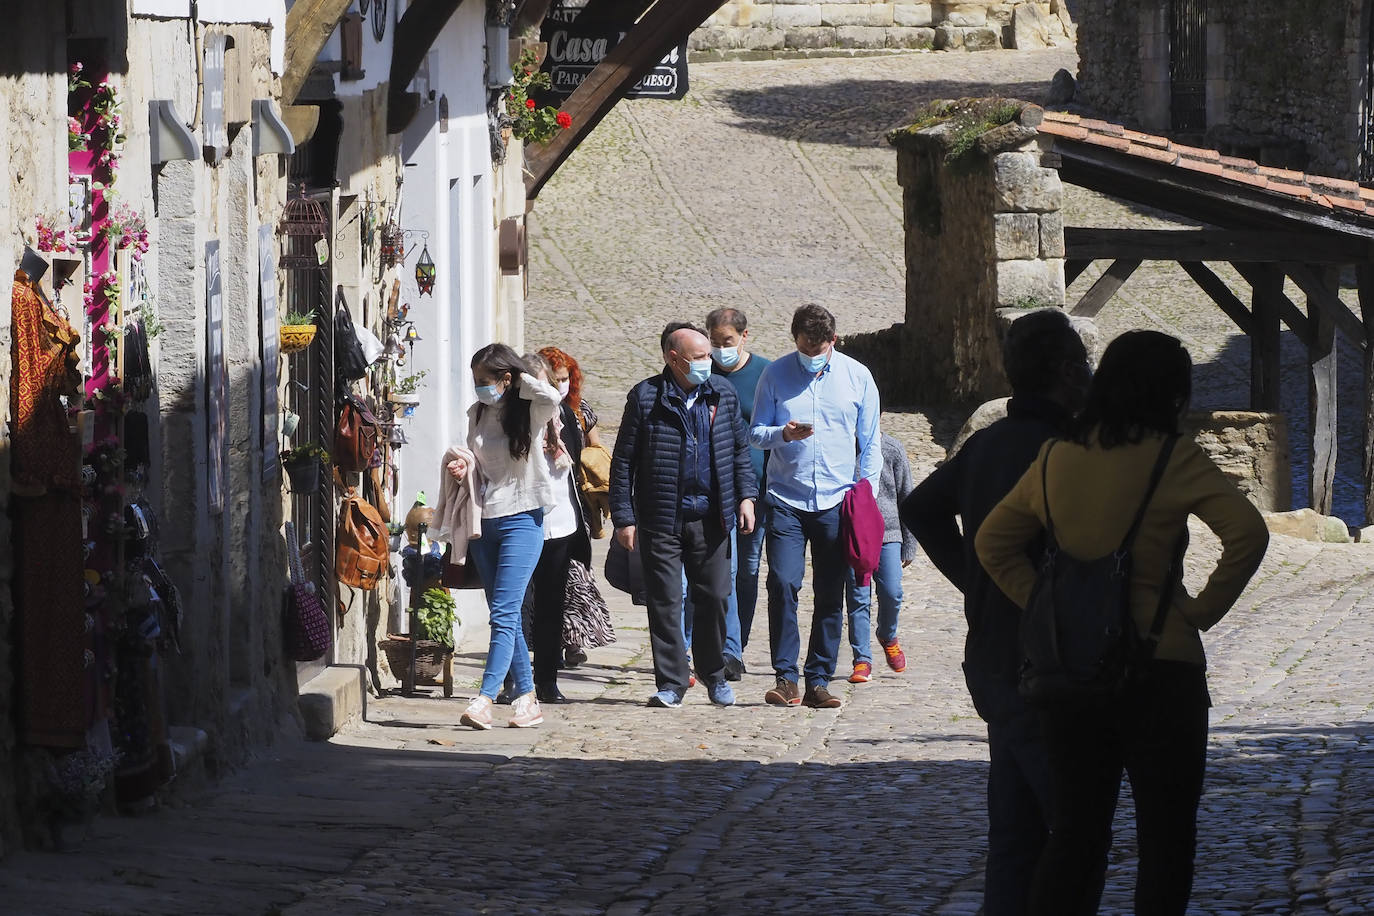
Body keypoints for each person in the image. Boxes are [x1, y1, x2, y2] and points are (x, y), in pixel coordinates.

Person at [975, 329, 1269, 916]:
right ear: (1172, 396)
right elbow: (1248, 533)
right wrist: (1201, 611)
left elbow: (993, 543)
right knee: (1166, 840)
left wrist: (1045, 603)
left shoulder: (1056, 458)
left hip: (1073, 672)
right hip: (1162, 666)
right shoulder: (1172, 457)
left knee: (1078, 836)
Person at [900, 309, 1090, 916]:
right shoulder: (1068, 451)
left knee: (1016, 832)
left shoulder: (988, 443)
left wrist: (974, 582)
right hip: (1055, 659)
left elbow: (923, 507)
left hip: (993, 656)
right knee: (1074, 827)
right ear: (1065, 373)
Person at [609, 324, 757, 708]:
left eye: (709, 355)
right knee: (666, 601)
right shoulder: (645, 398)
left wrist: (746, 497)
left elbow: (739, 452)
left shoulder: (721, 394)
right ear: (673, 359)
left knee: (715, 597)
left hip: (712, 517)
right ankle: (673, 682)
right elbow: (623, 462)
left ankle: (714, 674)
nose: (708, 363)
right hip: (662, 518)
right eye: (700, 357)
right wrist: (624, 517)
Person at [750, 303, 880, 709]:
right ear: (795, 341)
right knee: (784, 583)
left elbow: (871, 440)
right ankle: (785, 677)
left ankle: (818, 680)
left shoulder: (857, 377)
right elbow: (756, 433)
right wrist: (782, 435)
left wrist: (866, 495)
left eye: (818, 350)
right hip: (786, 497)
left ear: (832, 342)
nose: (810, 357)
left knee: (830, 592)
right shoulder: (775, 375)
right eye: (804, 349)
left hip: (836, 501)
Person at [457, 343, 562, 730]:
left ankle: (484, 698)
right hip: (485, 522)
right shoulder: (477, 414)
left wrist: (522, 379)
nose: (479, 388)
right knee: (507, 615)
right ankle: (527, 698)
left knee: (503, 613)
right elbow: (477, 461)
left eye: (485, 381)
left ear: (506, 379)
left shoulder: (531, 411)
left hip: (523, 518)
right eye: (475, 381)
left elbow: (553, 396)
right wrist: (461, 464)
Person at [519, 351, 593, 704]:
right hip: (518, 518)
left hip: (559, 523)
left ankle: (546, 679)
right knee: (515, 603)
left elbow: (572, 466)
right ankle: (514, 679)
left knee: (550, 604)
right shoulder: (508, 416)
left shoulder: (562, 415)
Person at [704, 307, 772, 680]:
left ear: (744, 337)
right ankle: (727, 649)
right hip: (716, 488)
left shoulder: (765, 372)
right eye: (714, 342)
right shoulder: (703, 370)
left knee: (747, 569)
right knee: (724, 570)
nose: (719, 350)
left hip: (758, 487)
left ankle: (738, 643)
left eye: (726, 342)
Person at [540, 346, 607, 668]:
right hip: (546, 505)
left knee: (576, 575)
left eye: (566, 379)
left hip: (576, 502)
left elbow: (595, 450)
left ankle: (574, 640)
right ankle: (550, 640)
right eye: (556, 379)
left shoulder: (581, 411)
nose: (562, 385)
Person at [843, 431, 916, 683]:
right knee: (857, 597)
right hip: (855, 534)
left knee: (892, 592)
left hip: (889, 534)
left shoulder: (892, 448)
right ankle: (862, 659)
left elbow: (907, 495)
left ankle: (887, 634)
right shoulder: (840, 447)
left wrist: (909, 543)